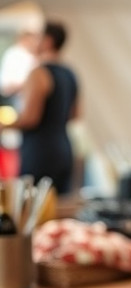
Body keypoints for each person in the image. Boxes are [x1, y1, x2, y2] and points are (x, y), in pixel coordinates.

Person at [0, 21, 79, 194]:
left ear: (48, 41)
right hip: (64, 148)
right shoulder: (70, 73)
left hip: (40, 151)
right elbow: (75, 115)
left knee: (32, 207)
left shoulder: (38, 73)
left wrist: (5, 125)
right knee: (59, 205)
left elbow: (30, 118)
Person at [0, 26, 39, 103]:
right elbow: (7, 84)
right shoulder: (15, 54)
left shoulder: (30, 56)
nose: (35, 43)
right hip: (14, 97)